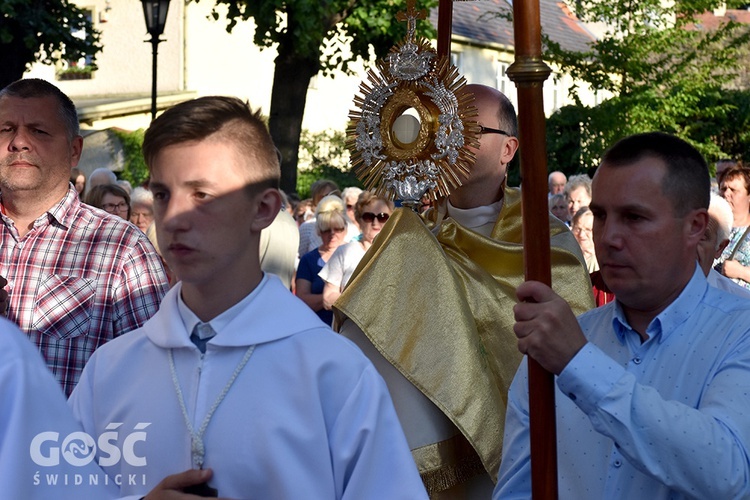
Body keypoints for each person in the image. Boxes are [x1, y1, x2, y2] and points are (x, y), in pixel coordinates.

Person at [69, 95, 427, 499]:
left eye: (202, 195)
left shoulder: (334, 372)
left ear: (263, 208)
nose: (174, 219)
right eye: (164, 194)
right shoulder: (109, 372)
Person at [334, 84, 594, 497]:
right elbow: (361, 336)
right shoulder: (408, 238)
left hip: (521, 456)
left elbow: (572, 349)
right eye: (445, 125)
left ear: (508, 149)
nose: (450, 138)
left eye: (469, 129)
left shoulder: (548, 244)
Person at [495, 132, 750, 499]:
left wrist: (578, 364)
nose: (609, 236)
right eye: (600, 215)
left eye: (634, 217)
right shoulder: (559, 345)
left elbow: (729, 472)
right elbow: (518, 489)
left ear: (695, 227)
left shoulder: (740, 331)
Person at [0, 78, 169, 395]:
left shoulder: (123, 247)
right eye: (5, 129)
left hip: (66, 443)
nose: (19, 142)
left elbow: (154, 382)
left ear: (74, 150)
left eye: (38, 131)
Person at [320, 191, 394, 310]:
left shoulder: (398, 254)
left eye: (382, 217)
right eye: (368, 217)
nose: (375, 223)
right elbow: (328, 298)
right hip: (350, 326)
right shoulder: (345, 252)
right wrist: (359, 304)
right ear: (359, 220)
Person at [297, 195, 349, 325]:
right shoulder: (308, 260)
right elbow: (302, 300)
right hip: (318, 326)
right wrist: (332, 297)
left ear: (345, 229)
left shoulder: (355, 254)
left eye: (337, 229)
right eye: (326, 230)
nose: (332, 234)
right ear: (319, 231)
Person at [699, 193, 750, 298]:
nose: (688, 243)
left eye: (702, 238)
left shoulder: (739, 304)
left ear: (720, 248)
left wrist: (742, 272)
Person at [714, 165, 750, 289]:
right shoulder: (709, 228)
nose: (726, 193)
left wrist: (742, 272)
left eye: (733, 190)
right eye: (723, 188)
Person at [298, 179, 340, 256]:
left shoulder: (349, 226)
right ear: (315, 200)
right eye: (323, 197)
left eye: (331, 195)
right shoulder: (307, 227)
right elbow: (302, 257)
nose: (328, 199)